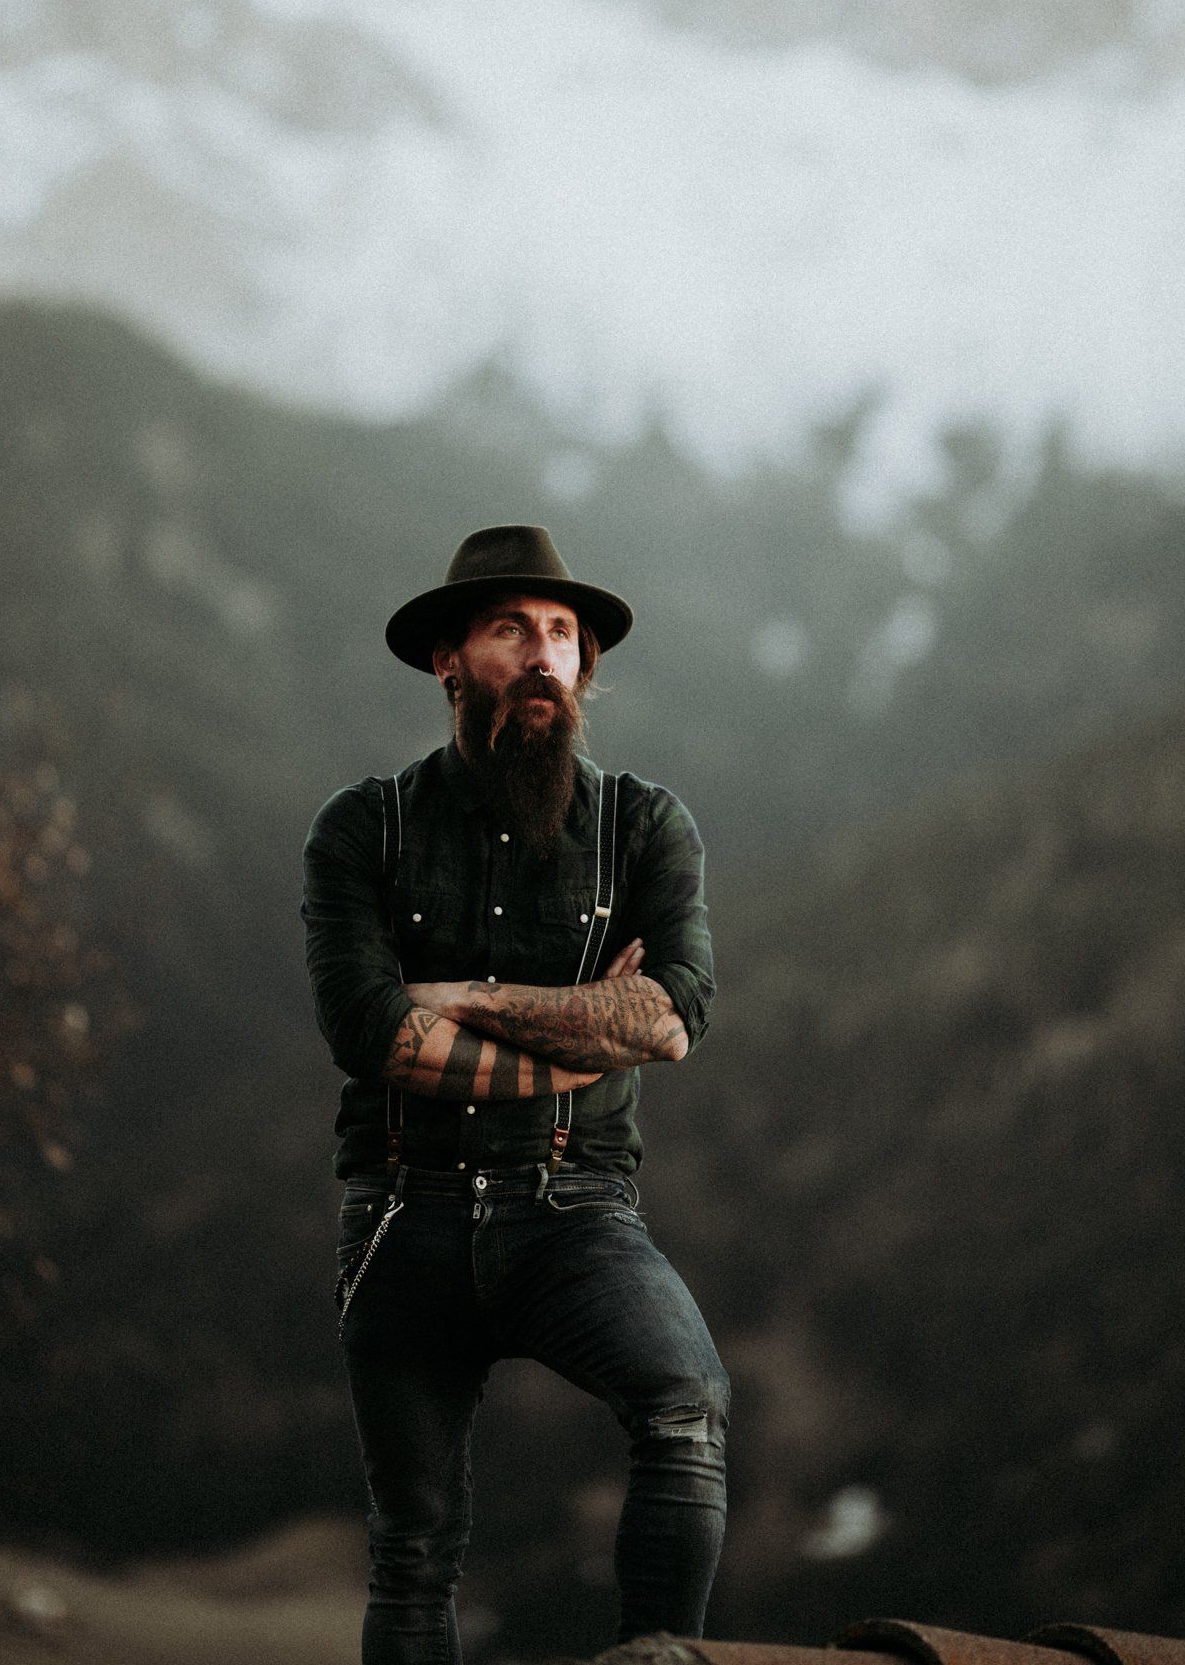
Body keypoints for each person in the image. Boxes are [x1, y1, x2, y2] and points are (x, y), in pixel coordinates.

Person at [300, 523, 729, 1665]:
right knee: (414, 1550)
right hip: (404, 1209)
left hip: (574, 1208)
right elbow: (370, 1032)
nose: (543, 655)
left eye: (561, 634)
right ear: (449, 659)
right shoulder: (363, 826)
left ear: (583, 665)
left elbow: (670, 1017)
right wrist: (581, 1030)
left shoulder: (644, 825)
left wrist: (465, 996)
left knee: (684, 1405)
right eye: (510, 629)